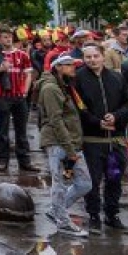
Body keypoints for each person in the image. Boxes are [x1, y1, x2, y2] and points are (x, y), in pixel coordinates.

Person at [73, 43, 128, 233]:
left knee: (114, 179)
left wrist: (116, 116)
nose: (92, 60)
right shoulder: (78, 79)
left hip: (115, 139)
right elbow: (79, 108)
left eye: (95, 56)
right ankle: (93, 216)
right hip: (92, 139)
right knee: (92, 181)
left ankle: (112, 215)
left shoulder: (116, 78)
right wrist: (96, 122)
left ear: (102, 56)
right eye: (88, 57)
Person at [37, 54, 91, 237]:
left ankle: (55, 210)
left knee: (84, 184)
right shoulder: (51, 88)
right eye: (69, 65)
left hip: (71, 142)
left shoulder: (63, 86)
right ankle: (63, 221)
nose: (73, 69)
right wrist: (69, 149)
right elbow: (55, 120)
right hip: (57, 142)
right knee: (58, 183)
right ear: (58, 67)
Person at [0, 28, 37, 173]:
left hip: (19, 96)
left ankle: (25, 160)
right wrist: (1, 69)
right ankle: (3, 160)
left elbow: (28, 74)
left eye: (9, 37)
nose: (8, 39)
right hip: (2, 96)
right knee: (2, 129)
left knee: (21, 129)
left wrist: (25, 91)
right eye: (4, 37)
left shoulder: (22, 55)